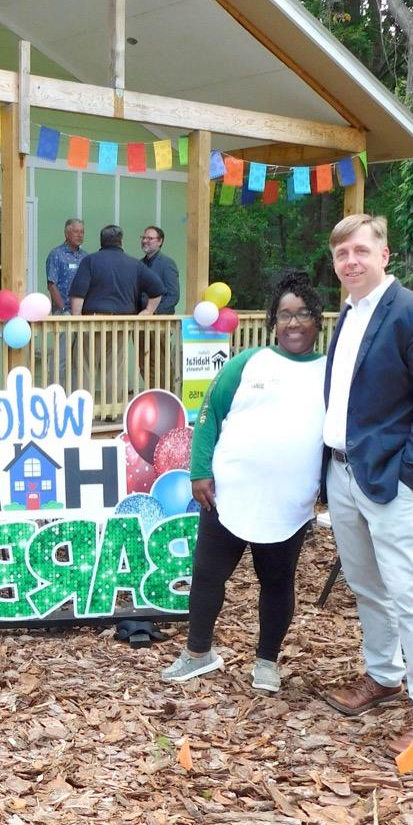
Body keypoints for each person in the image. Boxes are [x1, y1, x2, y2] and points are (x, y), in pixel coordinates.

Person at [320, 213, 413, 761]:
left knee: (409, 592)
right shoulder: (348, 314)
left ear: (384, 255)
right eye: (340, 255)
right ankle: (383, 676)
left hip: (394, 478)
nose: (350, 261)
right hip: (343, 473)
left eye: (359, 251)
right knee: (366, 584)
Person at [161, 271, 327, 692]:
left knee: (276, 582)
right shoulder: (247, 363)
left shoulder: (330, 374)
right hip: (228, 495)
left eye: (303, 314)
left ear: (317, 321)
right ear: (273, 321)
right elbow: (209, 416)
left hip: (289, 503)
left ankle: (267, 662)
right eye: (284, 315)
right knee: (208, 574)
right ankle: (198, 653)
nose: (293, 323)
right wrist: (200, 471)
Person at [68, 225, 163, 401]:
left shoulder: (91, 261)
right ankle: (112, 409)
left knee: (85, 366)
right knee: (115, 367)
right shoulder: (134, 264)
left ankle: (83, 408)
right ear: (121, 241)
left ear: (101, 240)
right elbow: (158, 288)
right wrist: (148, 311)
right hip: (122, 323)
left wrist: (76, 320)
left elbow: (78, 294)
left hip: (92, 322)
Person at [44, 218, 87, 387]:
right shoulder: (56, 254)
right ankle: (55, 394)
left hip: (81, 314)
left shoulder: (85, 256)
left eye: (82, 232)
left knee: (80, 359)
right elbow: (51, 284)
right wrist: (62, 309)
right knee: (60, 358)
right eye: (76, 231)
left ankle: (75, 395)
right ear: (67, 233)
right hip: (64, 313)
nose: (80, 235)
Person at [139, 226, 180, 315]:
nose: (145, 241)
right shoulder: (139, 264)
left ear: (160, 241)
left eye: (150, 238)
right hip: (140, 319)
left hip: (161, 321)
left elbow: (173, 296)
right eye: (143, 238)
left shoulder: (168, 264)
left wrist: (153, 312)